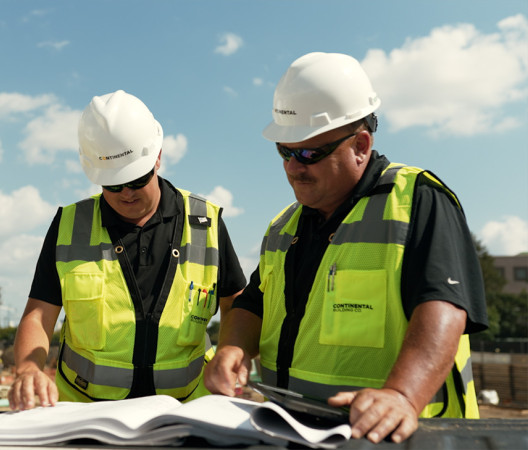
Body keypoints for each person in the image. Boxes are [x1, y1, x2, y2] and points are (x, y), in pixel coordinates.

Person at [204, 52, 488, 444]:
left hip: (397, 437)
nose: (292, 167)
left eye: (309, 153)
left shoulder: (417, 200)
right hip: (292, 430)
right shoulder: (284, 226)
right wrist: (232, 347)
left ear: (360, 144)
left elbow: (445, 307)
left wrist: (402, 395)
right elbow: (254, 303)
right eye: (284, 151)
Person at [8, 90, 246, 410]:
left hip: (185, 409)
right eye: (113, 184)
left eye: (136, 180)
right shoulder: (69, 225)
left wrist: (231, 353)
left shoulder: (205, 223)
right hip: (86, 411)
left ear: (157, 157)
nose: (126, 194)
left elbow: (236, 306)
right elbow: (38, 314)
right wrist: (28, 369)